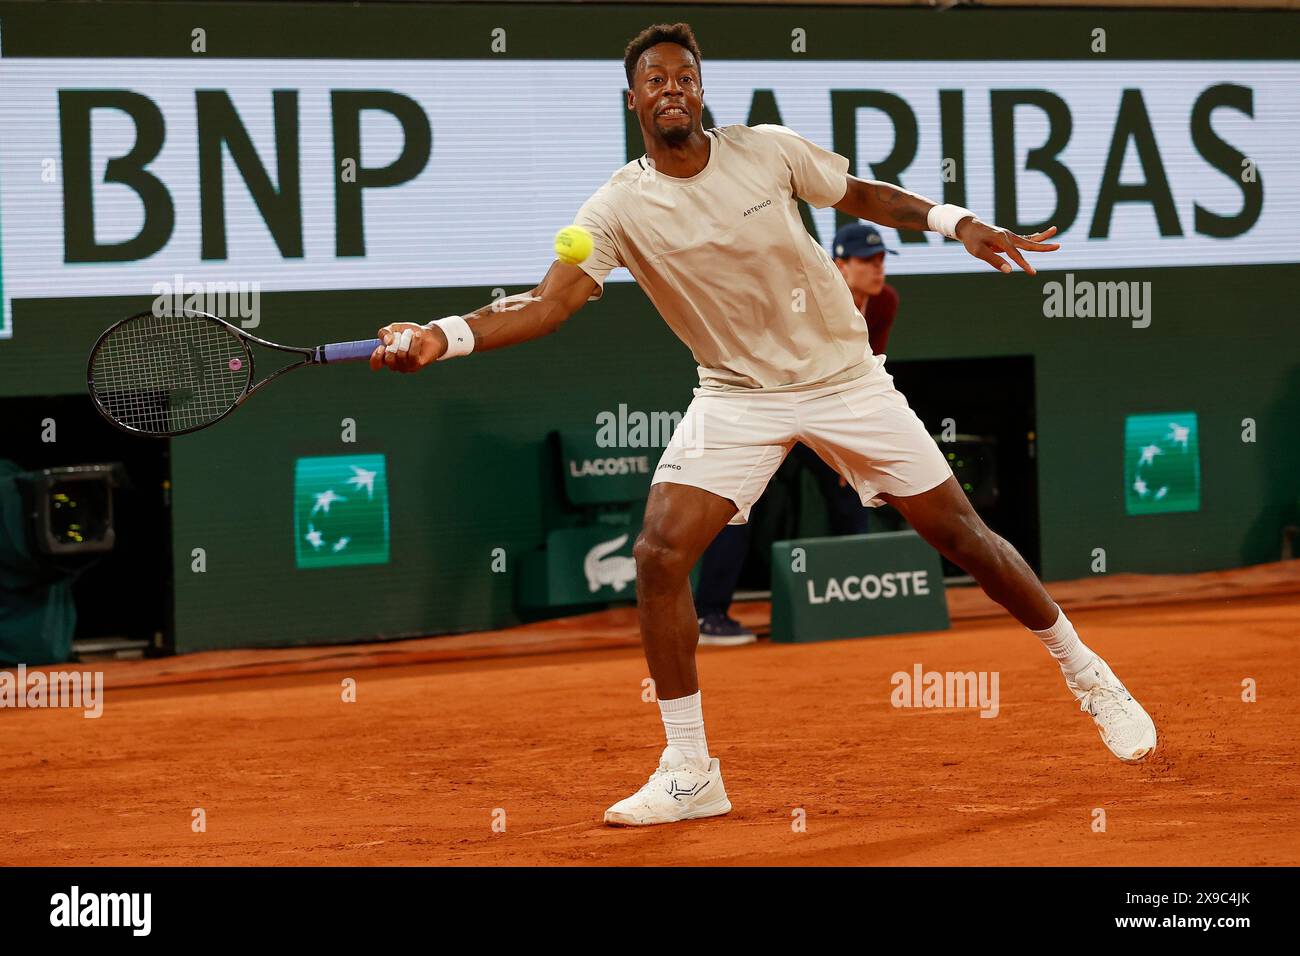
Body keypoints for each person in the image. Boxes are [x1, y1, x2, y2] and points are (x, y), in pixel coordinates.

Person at [370, 22, 1158, 827]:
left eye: (685, 76)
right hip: (735, 395)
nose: (672, 89)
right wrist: (440, 337)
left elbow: (859, 196)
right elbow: (546, 305)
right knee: (659, 552)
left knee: (963, 538)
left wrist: (957, 222)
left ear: (701, 89)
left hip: (846, 380)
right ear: (633, 97)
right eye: (656, 79)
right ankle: (689, 769)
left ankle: (1088, 672)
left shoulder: (768, 150)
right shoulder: (616, 207)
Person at [694, 222, 905, 646]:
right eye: (867, 260)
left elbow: (868, 366)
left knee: (852, 490)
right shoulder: (809, 296)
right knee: (737, 503)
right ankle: (709, 616)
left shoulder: (884, 302)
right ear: (839, 264)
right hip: (766, 401)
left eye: (882, 259)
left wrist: (851, 446)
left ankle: (858, 603)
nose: (877, 269)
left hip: (826, 409)